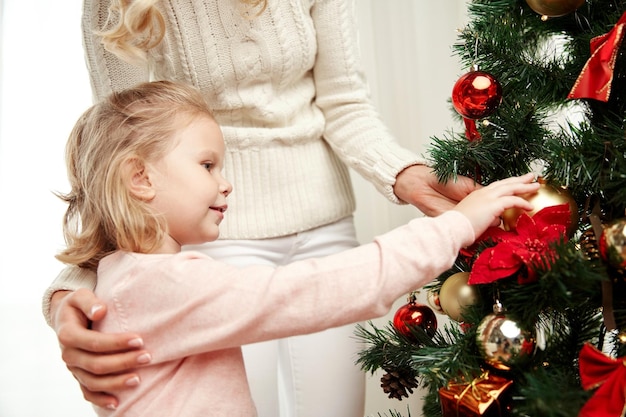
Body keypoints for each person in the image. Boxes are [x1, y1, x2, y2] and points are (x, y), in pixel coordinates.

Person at [43, 1, 486, 415]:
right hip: (211, 239)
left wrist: (401, 171)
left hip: (324, 222)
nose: (227, 180)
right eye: (208, 165)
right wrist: (70, 295)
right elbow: (120, 156)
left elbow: (344, 102)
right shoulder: (119, 7)